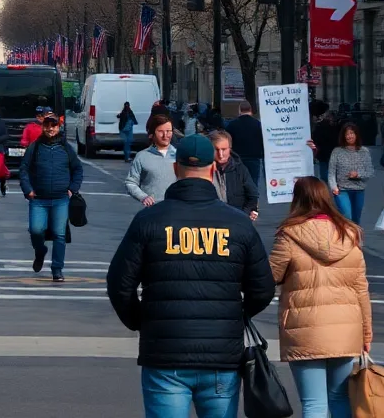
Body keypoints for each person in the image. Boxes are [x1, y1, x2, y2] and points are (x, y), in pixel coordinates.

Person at [107, 134, 275, 418]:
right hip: (222, 351)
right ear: (212, 170)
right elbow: (263, 288)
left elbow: (119, 284)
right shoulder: (238, 223)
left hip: (165, 350)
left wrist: (142, 320)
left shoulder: (150, 220)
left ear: (175, 169)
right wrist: (234, 315)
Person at [269, 176, 372, 418]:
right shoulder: (351, 235)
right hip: (346, 329)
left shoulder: (289, 235)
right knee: (340, 398)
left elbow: (271, 275)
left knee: (313, 403)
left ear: (297, 200)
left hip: (304, 328)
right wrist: (366, 333)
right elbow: (361, 289)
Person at [19, 116, 83, 282]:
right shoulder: (35, 147)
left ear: (58, 127)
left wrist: (72, 189)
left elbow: (77, 169)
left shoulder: (66, 148)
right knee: (36, 230)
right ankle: (40, 251)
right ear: (43, 127)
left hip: (61, 199)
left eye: (53, 126)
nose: (50, 129)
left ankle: (57, 269)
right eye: (47, 126)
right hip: (38, 199)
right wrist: (28, 190)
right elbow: (24, 169)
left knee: (59, 235)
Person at [327, 122, 374, 225]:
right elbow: (331, 173)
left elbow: (370, 171)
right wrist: (333, 187)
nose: (349, 136)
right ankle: (346, 239)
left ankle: (356, 240)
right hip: (342, 190)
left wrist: (358, 174)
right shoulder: (337, 151)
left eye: (352, 133)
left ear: (356, 134)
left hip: (359, 190)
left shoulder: (364, 151)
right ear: (343, 136)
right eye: (347, 134)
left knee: (356, 219)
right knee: (347, 217)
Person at [125, 114, 177, 206]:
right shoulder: (142, 156)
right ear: (152, 134)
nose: (165, 135)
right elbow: (131, 182)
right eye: (161, 131)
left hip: (175, 210)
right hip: (151, 211)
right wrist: (143, 197)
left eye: (169, 131)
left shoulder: (179, 155)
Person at [209, 129, 258, 220]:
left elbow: (253, 195)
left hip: (236, 219)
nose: (220, 154)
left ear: (230, 149)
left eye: (224, 149)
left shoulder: (240, 168)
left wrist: (244, 215)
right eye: (216, 150)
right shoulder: (205, 169)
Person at [225, 100, 264, 187]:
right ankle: (253, 199)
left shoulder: (232, 125)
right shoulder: (258, 124)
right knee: (253, 183)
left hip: (237, 158)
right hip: (254, 158)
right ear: (250, 110)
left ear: (239, 110)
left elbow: (227, 141)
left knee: (238, 183)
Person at [307, 101, 340, 184]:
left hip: (326, 151)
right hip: (326, 151)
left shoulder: (320, 125)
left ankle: (328, 183)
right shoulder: (325, 124)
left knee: (325, 171)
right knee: (326, 170)